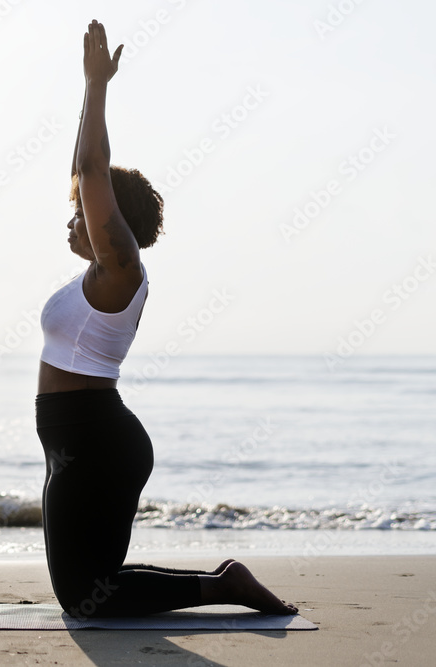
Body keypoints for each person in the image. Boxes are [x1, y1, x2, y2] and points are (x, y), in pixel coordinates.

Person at [35, 19, 298, 618]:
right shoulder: (96, 279)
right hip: (76, 442)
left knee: (85, 598)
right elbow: (88, 172)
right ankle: (223, 582)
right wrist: (87, 93)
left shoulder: (121, 272)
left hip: (96, 442)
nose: (73, 218)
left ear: (111, 225)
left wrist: (94, 86)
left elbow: (94, 168)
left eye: (83, 212)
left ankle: (223, 587)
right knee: (92, 586)